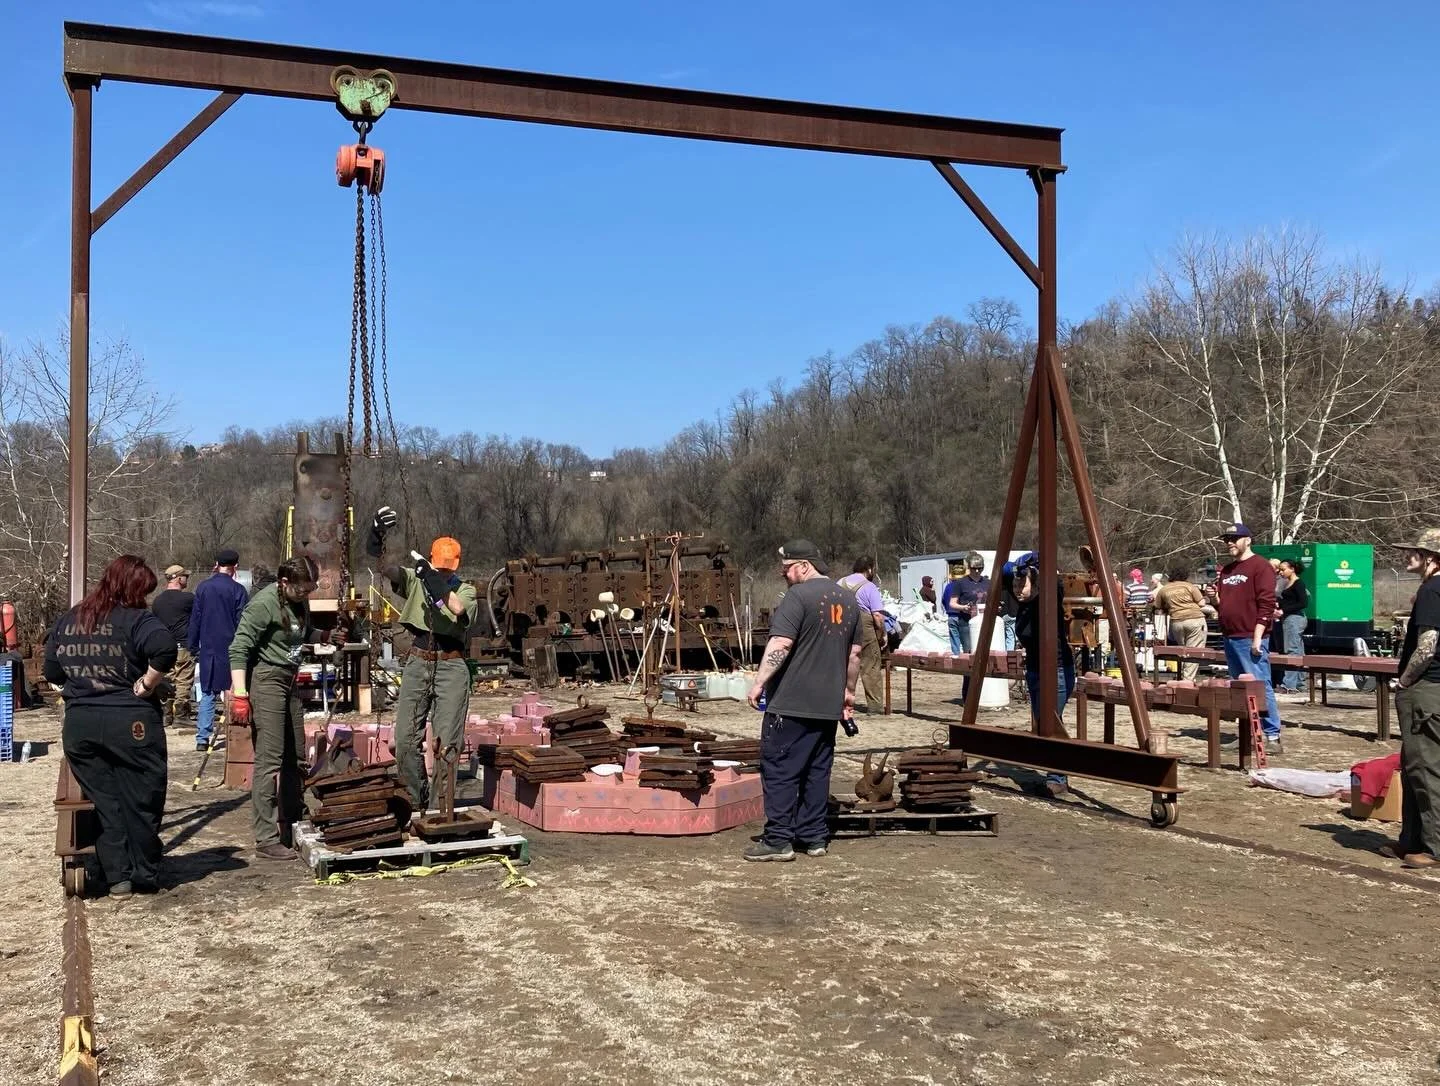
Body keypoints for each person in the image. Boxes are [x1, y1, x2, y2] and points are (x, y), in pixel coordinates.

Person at [45, 555, 176, 896]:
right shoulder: (136, 620)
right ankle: (144, 874)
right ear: (130, 588)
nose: (145, 599)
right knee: (142, 798)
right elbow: (164, 649)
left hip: (81, 725)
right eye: (143, 591)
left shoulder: (70, 619)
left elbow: (52, 673)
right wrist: (147, 684)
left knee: (105, 800)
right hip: (130, 721)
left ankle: (117, 876)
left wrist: (78, 689)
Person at [745, 540, 862, 862]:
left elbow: (781, 642)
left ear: (804, 565)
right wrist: (848, 693)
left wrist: (759, 682)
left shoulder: (798, 596)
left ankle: (778, 840)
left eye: (786, 570)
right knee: (816, 770)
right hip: (827, 705)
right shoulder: (849, 600)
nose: (785, 576)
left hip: (791, 702)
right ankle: (813, 837)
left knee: (780, 769)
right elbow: (854, 654)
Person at [368, 507, 479, 810]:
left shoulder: (465, 590)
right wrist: (376, 538)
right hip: (419, 661)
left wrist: (433, 579)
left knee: (446, 744)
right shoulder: (416, 579)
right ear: (430, 559)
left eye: (446, 569)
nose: (442, 572)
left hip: (450, 665)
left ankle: (439, 809)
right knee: (404, 741)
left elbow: (456, 608)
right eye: (437, 567)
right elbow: (385, 568)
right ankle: (416, 800)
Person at [229, 556, 335, 861]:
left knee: (296, 754)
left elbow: (302, 634)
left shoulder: (298, 601)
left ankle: (293, 820)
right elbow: (238, 648)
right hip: (266, 679)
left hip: (290, 680)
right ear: (285, 583)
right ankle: (266, 837)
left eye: (310, 591)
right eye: (302, 590)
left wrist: (324, 636)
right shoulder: (263, 605)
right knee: (270, 758)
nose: (306, 595)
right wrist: (240, 694)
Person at [1389, 529, 1440, 869]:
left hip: (1425, 689)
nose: (1408, 556)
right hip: (1431, 689)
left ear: (1431, 558)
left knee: (1425, 769)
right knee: (1412, 767)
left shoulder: (1431, 590)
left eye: (1415, 552)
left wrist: (1405, 681)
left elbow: (1428, 644)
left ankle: (1435, 848)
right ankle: (1411, 840)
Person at [1009, 552, 1074, 797]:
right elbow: (1005, 571)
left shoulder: (1050, 599)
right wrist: (1020, 568)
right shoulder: (1023, 606)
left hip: (1057, 669)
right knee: (1042, 722)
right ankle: (1055, 774)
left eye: (1022, 584)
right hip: (1035, 669)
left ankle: (1057, 778)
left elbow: (1056, 582)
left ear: (1036, 581)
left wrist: (1037, 566)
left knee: (1052, 722)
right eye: (1015, 585)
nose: (1017, 589)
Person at [1215, 523, 1282, 754]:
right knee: (1240, 688)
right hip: (1230, 636)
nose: (1230, 543)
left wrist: (1257, 638)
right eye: (1227, 539)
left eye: (1234, 538)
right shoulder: (1226, 570)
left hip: (1250, 637)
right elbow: (1225, 601)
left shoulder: (1260, 567)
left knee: (1260, 686)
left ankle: (1272, 736)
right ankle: (1247, 735)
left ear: (1248, 540)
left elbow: (1266, 604)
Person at [187, 548, 248, 752]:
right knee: (233, 692)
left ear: (216, 564)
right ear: (235, 567)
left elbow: (195, 619)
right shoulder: (238, 591)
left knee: (207, 693)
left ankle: (202, 738)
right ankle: (235, 736)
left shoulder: (203, 588)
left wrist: (193, 644)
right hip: (232, 649)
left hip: (208, 649)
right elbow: (242, 623)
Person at [837, 557, 886, 713]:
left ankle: (838, 703)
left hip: (840, 626)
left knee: (841, 666)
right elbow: (877, 615)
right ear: (869, 569)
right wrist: (882, 633)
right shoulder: (869, 586)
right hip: (864, 628)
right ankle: (875, 707)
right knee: (870, 667)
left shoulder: (839, 583)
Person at [942, 552, 990, 701]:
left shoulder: (987, 583)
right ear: (969, 568)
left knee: (986, 656)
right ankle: (968, 694)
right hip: (966, 623)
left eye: (980, 568)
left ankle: (985, 693)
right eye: (974, 568)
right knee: (970, 656)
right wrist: (963, 608)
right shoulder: (961, 583)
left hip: (984, 622)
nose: (977, 571)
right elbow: (951, 603)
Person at [151, 564, 195, 725]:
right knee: (183, 679)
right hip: (183, 645)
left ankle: (165, 714)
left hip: (163, 647)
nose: (187, 579)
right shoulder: (188, 599)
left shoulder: (157, 601)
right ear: (178, 578)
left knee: (165, 679)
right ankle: (181, 715)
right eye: (185, 576)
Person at [1154, 567, 1209, 681]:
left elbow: (1158, 606)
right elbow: (1202, 603)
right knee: (1194, 651)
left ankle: (1184, 677)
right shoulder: (1189, 586)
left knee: (1183, 650)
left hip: (1176, 622)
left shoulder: (1164, 589)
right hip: (1195, 619)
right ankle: (1187, 680)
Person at [1275, 559, 1310, 696]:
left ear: (1292, 569)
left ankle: (1289, 684)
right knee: (1299, 650)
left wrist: (1284, 610)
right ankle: (1300, 683)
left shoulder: (1298, 583)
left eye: (1283, 569)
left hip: (1295, 619)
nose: (1281, 572)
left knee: (1292, 650)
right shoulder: (1287, 583)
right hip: (1289, 618)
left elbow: (1303, 602)